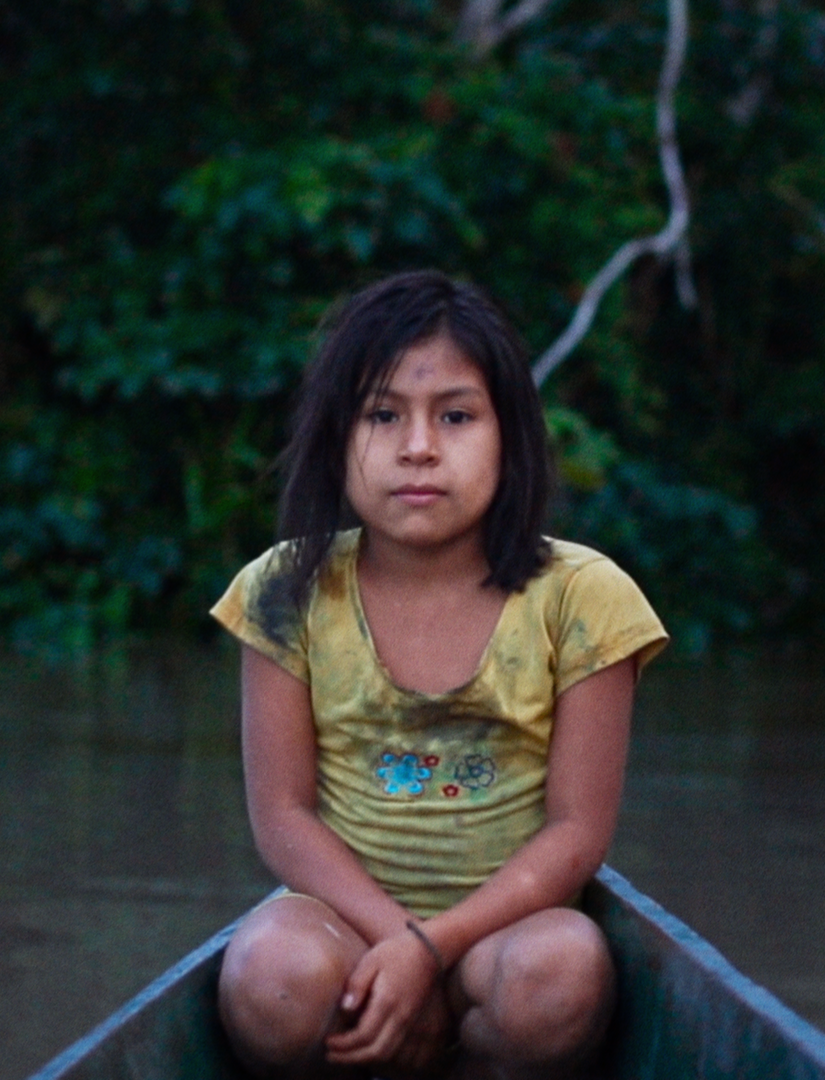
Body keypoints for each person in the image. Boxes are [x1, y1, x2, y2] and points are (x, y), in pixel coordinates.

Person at [209, 270, 667, 1079]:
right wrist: (398, 944)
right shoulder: (285, 590)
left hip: (505, 940)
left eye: (455, 416)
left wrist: (433, 950)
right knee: (269, 979)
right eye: (382, 415)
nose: (418, 447)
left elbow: (577, 834)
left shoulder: (583, 598)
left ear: (508, 437)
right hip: (345, 933)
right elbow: (282, 816)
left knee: (561, 976)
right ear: (337, 438)